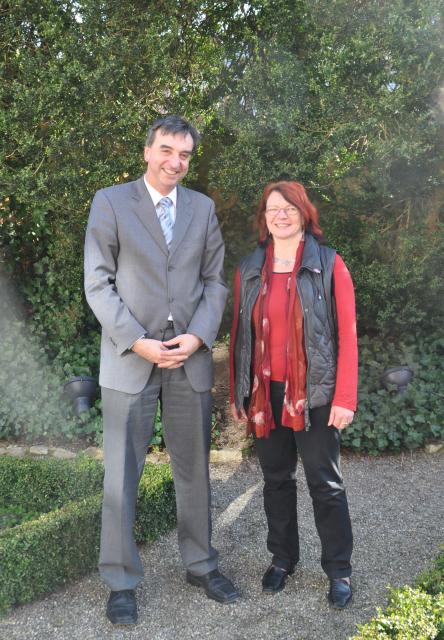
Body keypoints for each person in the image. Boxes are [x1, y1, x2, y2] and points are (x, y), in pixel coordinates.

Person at [84, 115, 240, 626]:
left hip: (188, 359)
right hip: (131, 359)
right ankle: (120, 580)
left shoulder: (202, 208)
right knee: (120, 476)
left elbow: (215, 282)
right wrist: (138, 341)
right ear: (148, 151)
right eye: (167, 151)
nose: (176, 162)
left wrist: (198, 337)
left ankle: (201, 564)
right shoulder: (110, 202)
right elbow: (98, 283)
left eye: (185, 155)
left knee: (194, 471)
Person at [229, 180, 358, 609]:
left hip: (315, 394)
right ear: (264, 219)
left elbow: (347, 335)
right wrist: (239, 392)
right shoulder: (249, 268)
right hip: (266, 395)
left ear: (304, 214)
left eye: (289, 208)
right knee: (276, 480)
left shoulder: (329, 264)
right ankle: (282, 559)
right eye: (273, 209)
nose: (281, 215)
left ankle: (338, 570)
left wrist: (345, 397)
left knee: (326, 483)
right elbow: (240, 336)